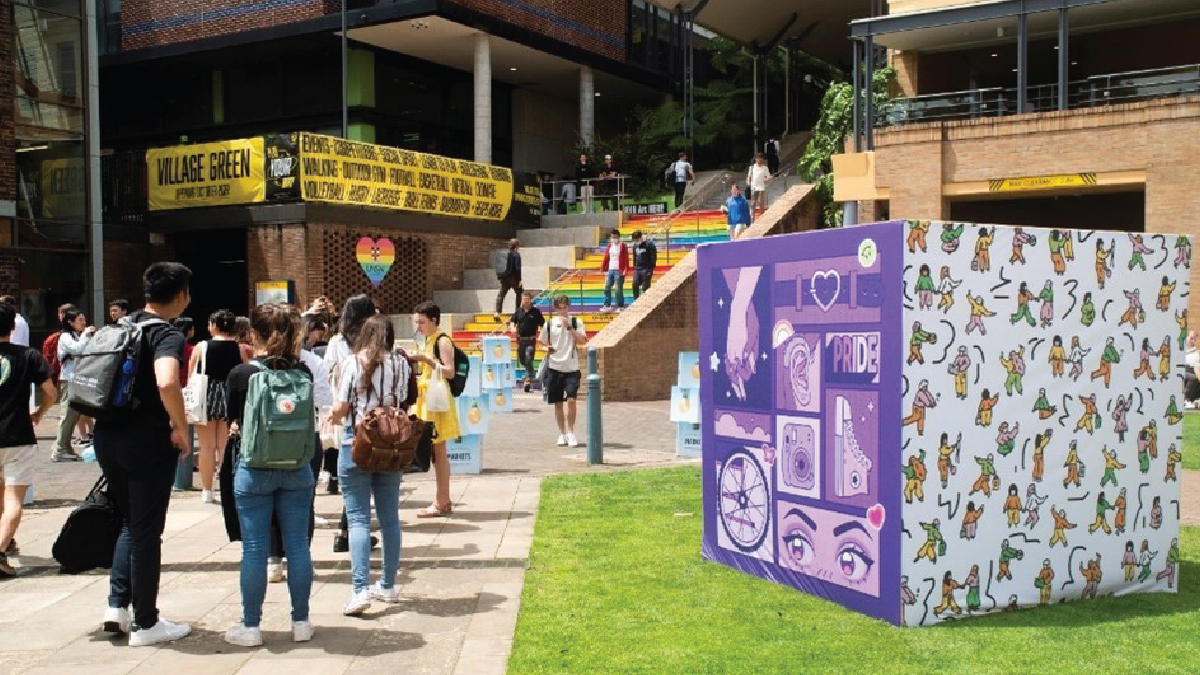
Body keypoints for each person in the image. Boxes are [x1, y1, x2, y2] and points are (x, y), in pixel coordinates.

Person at [96, 262, 193, 646]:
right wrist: (180, 426)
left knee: (129, 521)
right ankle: (147, 623)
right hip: (146, 443)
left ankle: (116, 607)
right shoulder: (166, 335)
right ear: (182, 294)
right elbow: (167, 379)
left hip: (107, 437)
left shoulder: (120, 326)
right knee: (147, 532)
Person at [222, 304, 316, 647]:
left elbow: (231, 419)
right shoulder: (303, 373)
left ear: (252, 335)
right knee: (298, 547)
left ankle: (251, 626)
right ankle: (301, 622)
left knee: (255, 549)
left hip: (254, 469)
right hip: (296, 468)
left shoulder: (241, 374)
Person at [329, 314, 411, 614]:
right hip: (391, 447)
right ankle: (387, 584)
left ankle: (360, 589)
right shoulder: (401, 364)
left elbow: (341, 406)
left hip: (356, 444)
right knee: (390, 518)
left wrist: (332, 418)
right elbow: (401, 401)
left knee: (359, 518)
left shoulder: (352, 363)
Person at [0, 302, 57, 577]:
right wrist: (41, 411)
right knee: (13, 500)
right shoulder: (29, 355)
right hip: (18, 435)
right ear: (13, 327)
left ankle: (5, 542)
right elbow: (51, 391)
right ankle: (1, 548)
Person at [321, 295, 377, 549]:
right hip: (372, 419)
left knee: (352, 481)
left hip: (344, 415)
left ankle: (347, 534)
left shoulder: (335, 342)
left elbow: (325, 373)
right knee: (366, 484)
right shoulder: (374, 342)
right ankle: (350, 534)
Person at [190, 310, 248, 504]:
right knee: (224, 445)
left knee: (206, 446)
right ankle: (225, 487)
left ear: (214, 325)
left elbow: (191, 374)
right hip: (229, 396)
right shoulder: (238, 349)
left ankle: (207, 490)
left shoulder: (202, 347)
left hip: (205, 396)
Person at [411, 302, 459, 517]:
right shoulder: (429, 339)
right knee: (436, 452)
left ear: (433, 321)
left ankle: (442, 500)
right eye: (416, 322)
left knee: (439, 451)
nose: (418, 326)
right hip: (428, 399)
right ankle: (442, 499)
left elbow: (450, 372)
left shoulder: (442, 340)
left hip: (436, 402)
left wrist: (426, 360)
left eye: (421, 322)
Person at [541, 295, 588, 447]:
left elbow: (583, 340)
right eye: (559, 308)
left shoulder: (576, 321)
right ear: (555, 308)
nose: (562, 311)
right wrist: (546, 348)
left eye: (565, 307)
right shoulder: (549, 324)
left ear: (569, 307)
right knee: (558, 403)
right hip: (554, 367)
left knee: (572, 400)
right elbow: (541, 343)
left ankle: (571, 432)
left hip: (572, 367)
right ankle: (562, 434)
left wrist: (569, 327)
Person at [51, 309, 96, 462]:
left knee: (74, 414)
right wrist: (86, 335)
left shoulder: (78, 336)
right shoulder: (65, 337)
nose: (84, 323)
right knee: (67, 414)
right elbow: (78, 349)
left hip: (78, 379)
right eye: (80, 320)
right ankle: (59, 449)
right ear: (70, 322)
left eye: (84, 320)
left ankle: (66, 447)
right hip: (68, 379)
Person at [508, 292, 545, 392]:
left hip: (531, 340)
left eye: (528, 299)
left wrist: (542, 332)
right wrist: (512, 328)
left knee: (528, 358)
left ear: (530, 300)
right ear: (522, 301)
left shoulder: (536, 312)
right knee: (523, 361)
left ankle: (527, 381)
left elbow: (543, 324)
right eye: (524, 299)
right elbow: (512, 322)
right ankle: (531, 372)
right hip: (521, 340)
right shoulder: (518, 312)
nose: (526, 301)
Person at [601, 229, 630, 313]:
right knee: (607, 288)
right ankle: (607, 306)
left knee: (618, 289)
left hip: (619, 270)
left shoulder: (623, 246)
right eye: (612, 237)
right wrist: (603, 267)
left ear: (619, 237)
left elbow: (626, 258)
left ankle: (620, 306)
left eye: (615, 237)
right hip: (610, 269)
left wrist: (625, 269)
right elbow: (606, 257)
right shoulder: (609, 245)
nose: (614, 239)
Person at [495, 238, 523, 321]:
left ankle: (497, 312)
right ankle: (517, 311)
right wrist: (519, 280)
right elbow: (517, 269)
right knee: (519, 293)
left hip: (504, 278)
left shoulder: (505, 254)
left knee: (501, 295)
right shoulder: (516, 255)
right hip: (513, 278)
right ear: (517, 246)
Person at [631, 231, 658, 300]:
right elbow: (634, 256)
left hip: (646, 268)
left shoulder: (649, 244)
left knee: (645, 287)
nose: (636, 242)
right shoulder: (635, 246)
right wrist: (634, 266)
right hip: (638, 269)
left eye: (637, 240)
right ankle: (636, 300)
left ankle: (647, 301)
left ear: (640, 237)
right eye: (635, 240)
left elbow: (653, 256)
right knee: (634, 284)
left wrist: (651, 267)